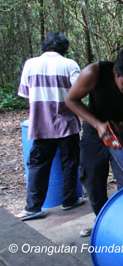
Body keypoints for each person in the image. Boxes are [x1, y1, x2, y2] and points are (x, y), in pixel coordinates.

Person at [66, 44, 123, 237]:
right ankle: (102, 220)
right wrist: (98, 125)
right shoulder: (93, 73)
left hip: (121, 132)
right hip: (93, 133)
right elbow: (71, 100)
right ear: (116, 71)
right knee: (92, 181)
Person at [15, 31, 86, 221]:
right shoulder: (70, 65)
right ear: (64, 48)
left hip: (41, 125)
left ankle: (32, 208)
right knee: (70, 163)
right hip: (67, 124)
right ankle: (69, 200)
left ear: (45, 45)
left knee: (38, 165)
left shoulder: (30, 64)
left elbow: (26, 95)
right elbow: (78, 93)